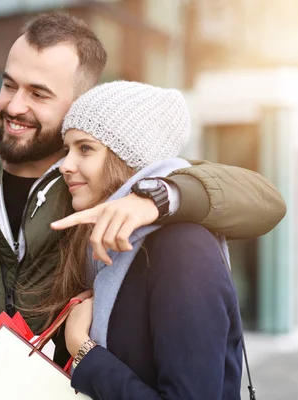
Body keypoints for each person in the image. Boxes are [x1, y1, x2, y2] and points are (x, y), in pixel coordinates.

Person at [0, 13, 285, 399]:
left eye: (38, 93)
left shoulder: (98, 179)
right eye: (8, 85)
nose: (14, 105)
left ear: (78, 103)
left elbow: (264, 201)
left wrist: (155, 198)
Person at [53, 81, 243, 399]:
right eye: (67, 149)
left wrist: (85, 352)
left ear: (129, 159)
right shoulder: (105, 248)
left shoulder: (183, 249)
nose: (65, 165)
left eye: (85, 148)